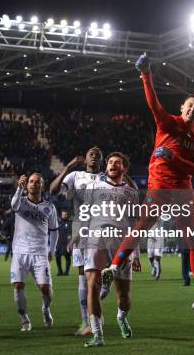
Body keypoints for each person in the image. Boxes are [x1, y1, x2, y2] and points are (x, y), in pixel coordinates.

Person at [102, 52, 194, 322]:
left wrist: (175, 158)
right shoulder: (169, 123)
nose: (191, 110)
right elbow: (154, 104)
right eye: (189, 106)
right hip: (160, 187)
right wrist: (146, 74)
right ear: (182, 107)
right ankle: (114, 268)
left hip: (184, 190)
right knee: (141, 227)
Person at [82, 152, 141, 347]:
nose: (113, 164)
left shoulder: (131, 192)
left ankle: (121, 318)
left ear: (124, 169)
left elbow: (136, 225)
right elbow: (84, 214)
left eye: (118, 163)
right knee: (92, 285)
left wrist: (137, 254)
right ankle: (98, 334)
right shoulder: (94, 186)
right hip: (96, 238)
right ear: (105, 167)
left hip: (121, 242)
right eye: (110, 162)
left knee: (123, 295)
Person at [49, 147, 105, 336]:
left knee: (98, 277)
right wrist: (68, 167)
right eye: (92, 154)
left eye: (98, 154)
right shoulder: (76, 176)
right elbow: (53, 190)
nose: (95, 156)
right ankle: (87, 320)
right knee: (83, 275)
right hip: (79, 230)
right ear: (86, 158)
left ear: (102, 160)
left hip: (101, 230)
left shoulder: (107, 177)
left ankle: (94, 313)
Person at [10, 173, 58, 332]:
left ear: (42, 186)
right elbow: (13, 206)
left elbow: (54, 231)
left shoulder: (49, 207)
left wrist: (52, 250)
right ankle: (25, 320)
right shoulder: (21, 201)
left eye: (37, 182)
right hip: (20, 252)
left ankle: (46, 308)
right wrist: (19, 188)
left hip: (40, 253)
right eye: (31, 181)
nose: (33, 184)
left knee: (45, 289)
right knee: (18, 285)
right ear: (27, 185)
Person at [55, 211, 71, 276]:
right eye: (63, 214)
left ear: (67, 215)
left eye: (65, 214)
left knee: (67, 257)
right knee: (57, 257)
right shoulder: (58, 223)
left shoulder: (69, 223)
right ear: (61, 215)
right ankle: (60, 271)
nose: (64, 216)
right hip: (58, 243)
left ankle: (66, 272)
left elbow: (71, 232)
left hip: (66, 243)